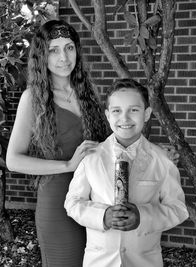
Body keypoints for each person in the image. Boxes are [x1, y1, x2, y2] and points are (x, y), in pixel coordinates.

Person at [6, 19, 109, 267]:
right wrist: (68, 165)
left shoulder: (88, 91)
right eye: (54, 50)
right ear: (42, 55)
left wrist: (154, 153)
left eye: (69, 47)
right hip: (58, 204)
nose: (63, 57)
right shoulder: (33, 98)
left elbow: (106, 145)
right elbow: (13, 160)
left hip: (95, 201)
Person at [65, 78, 189, 267]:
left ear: (146, 114)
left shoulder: (163, 160)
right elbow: (72, 203)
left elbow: (178, 209)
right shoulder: (91, 157)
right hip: (99, 261)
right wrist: (102, 216)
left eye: (134, 110)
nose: (125, 118)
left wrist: (143, 216)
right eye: (117, 111)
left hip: (144, 261)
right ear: (107, 115)